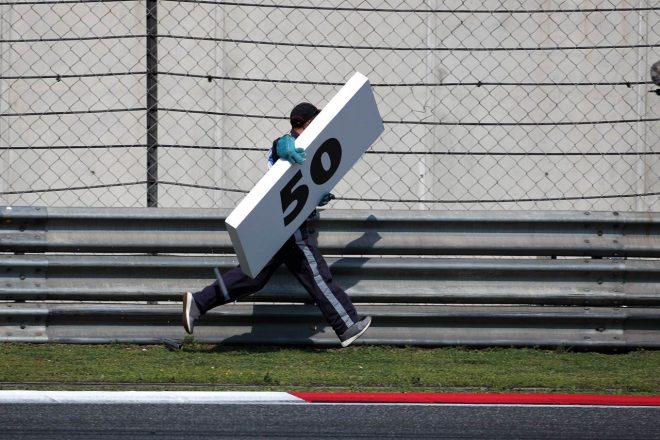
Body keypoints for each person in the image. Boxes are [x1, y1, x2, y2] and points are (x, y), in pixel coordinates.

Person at [182, 102, 372, 347]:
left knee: (253, 278)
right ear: (308, 122)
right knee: (316, 274)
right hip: (289, 225)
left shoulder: (309, 146)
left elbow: (302, 182)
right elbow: (281, 146)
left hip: (279, 223)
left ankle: (199, 303)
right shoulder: (288, 143)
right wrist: (287, 147)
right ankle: (346, 325)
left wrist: (317, 196)